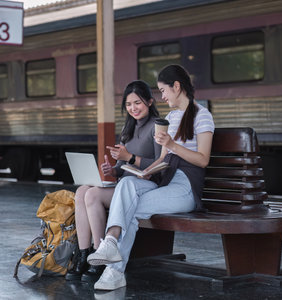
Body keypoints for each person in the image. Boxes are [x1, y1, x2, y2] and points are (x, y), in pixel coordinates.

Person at [87, 64, 215, 290]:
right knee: (127, 184)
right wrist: (144, 172)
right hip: (165, 180)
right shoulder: (171, 117)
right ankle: (110, 243)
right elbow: (163, 160)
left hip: (185, 186)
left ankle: (114, 270)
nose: (162, 96)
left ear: (177, 87)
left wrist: (172, 144)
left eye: (164, 90)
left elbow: (203, 159)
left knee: (130, 207)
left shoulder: (203, 116)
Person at [65, 80, 162, 281]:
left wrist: (129, 158)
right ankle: (84, 254)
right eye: (128, 104)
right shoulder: (128, 128)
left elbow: (160, 166)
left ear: (150, 102)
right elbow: (122, 168)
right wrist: (112, 170)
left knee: (92, 194)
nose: (133, 108)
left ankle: (100, 252)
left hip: (147, 187)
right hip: (125, 185)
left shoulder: (156, 127)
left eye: (138, 103)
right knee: (83, 190)